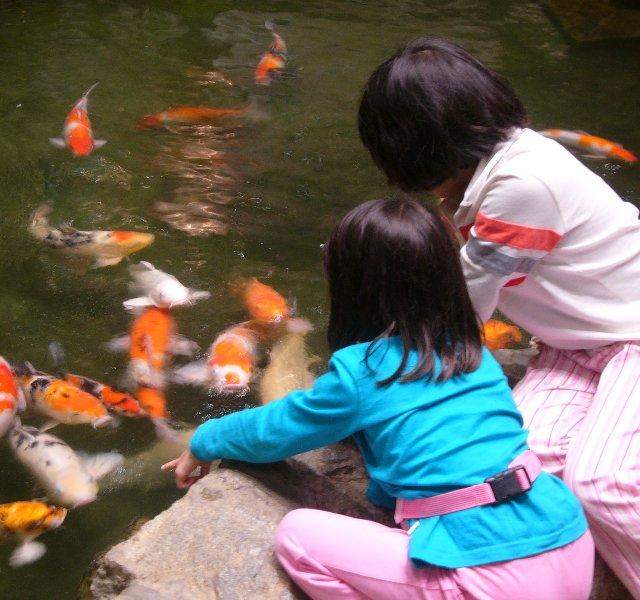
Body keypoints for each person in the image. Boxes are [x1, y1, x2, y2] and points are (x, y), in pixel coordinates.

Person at [163, 198, 593, 600]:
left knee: (296, 536)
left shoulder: (362, 371)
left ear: (353, 286)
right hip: (569, 541)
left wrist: (206, 438)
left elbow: (277, 430)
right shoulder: (474, 353)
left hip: (492, 576)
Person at [357, 37, 640, 597]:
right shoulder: (497, 169)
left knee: (602, 484)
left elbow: (458, 309)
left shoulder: (521, 186)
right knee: (513, 475)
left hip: (633, 338)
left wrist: (362, 390)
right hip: (574, 351)